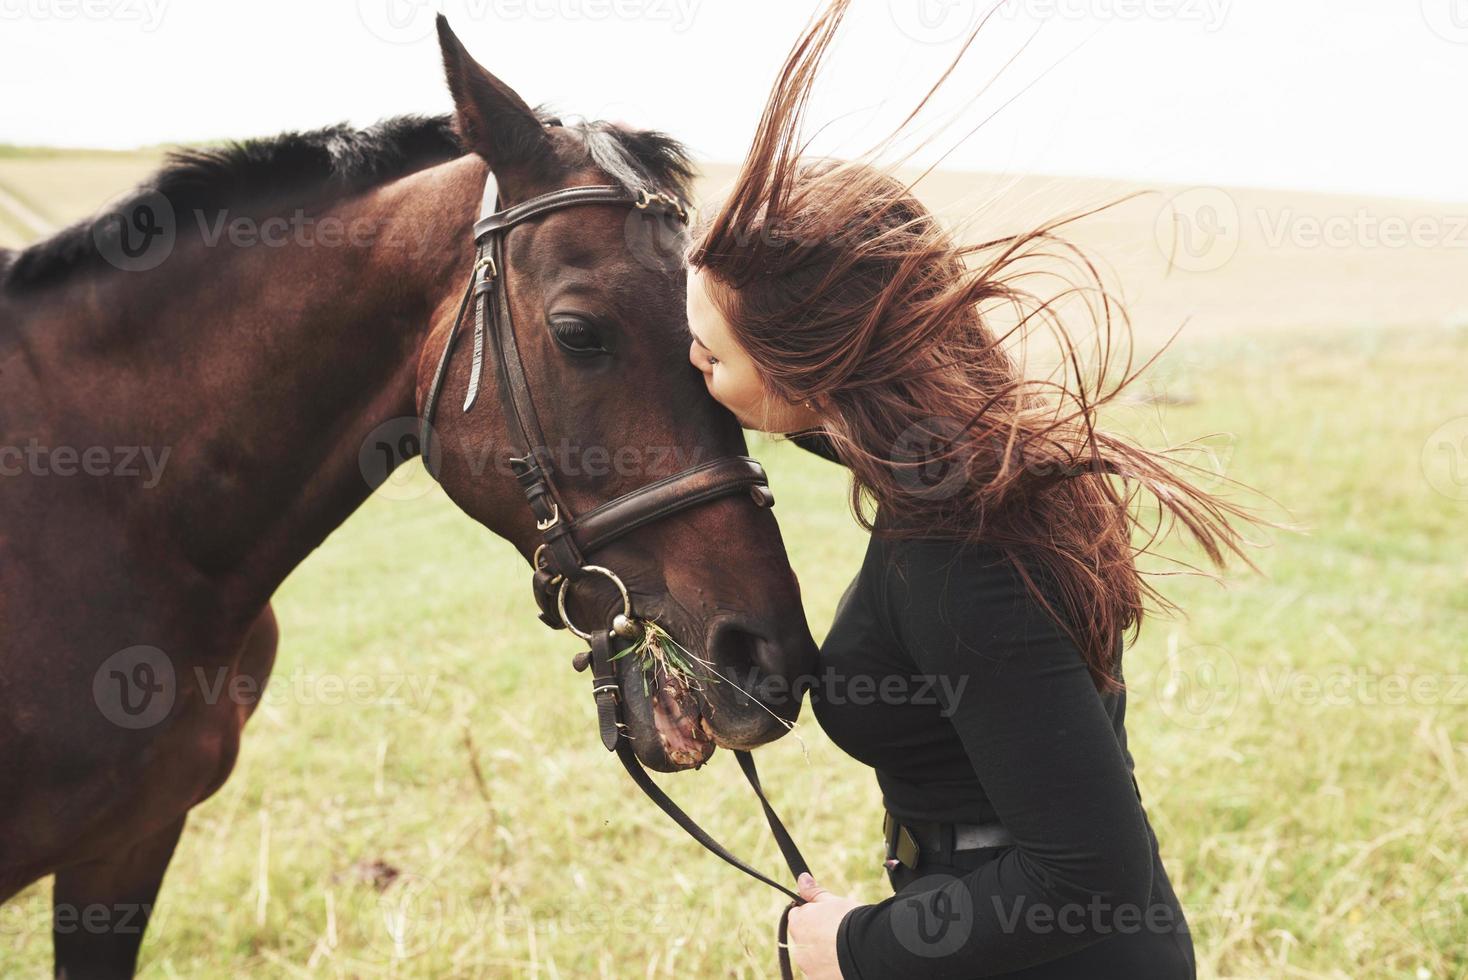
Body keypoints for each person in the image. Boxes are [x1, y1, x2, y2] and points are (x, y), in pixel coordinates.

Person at [683, 3, 1258, 976]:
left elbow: (1088, 874)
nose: (688, 362)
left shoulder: (962, 550)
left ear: (815, 372)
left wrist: (852, 945)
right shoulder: (960, 463)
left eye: (708, 350)